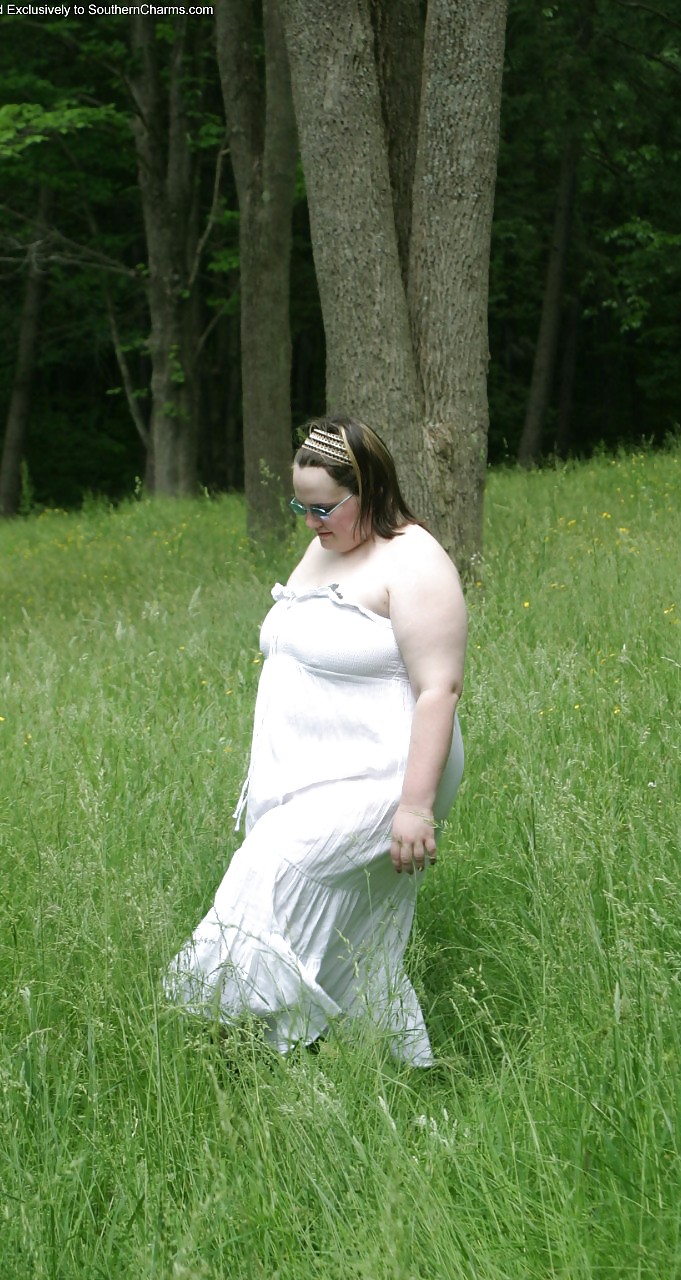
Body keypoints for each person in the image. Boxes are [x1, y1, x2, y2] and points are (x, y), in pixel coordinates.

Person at [164, 414, 467, 1065]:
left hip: (388, 775)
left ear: (371, 489)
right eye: (301, 507)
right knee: (351, 932)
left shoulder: (416, 561)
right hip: (319, 773)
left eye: (324, 507)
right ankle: (373, 1066)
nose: (311, 522)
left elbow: (439, 689)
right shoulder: (327, 547)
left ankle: (260, 1046)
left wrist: (414, 808)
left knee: (268, 869)